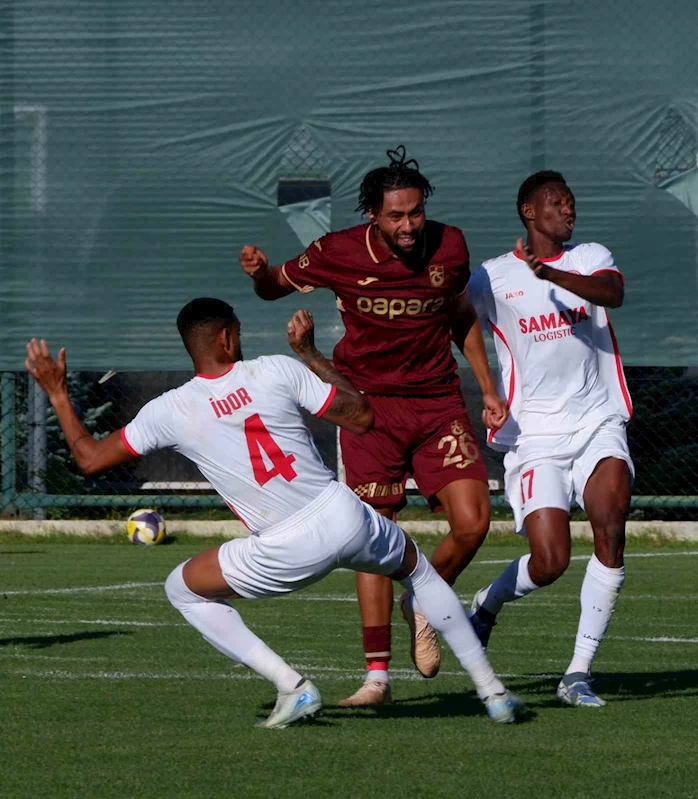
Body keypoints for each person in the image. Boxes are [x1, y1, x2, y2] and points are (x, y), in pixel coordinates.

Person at [25, 298, 522, 728]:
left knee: (181, 588)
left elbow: (89, 458)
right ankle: (493, 692)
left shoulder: (169, 410)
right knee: (419, 569)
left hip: (283, 547)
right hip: (343, 514)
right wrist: (311, 355)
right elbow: (361, 415)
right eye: (238, 331)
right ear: (226, 337)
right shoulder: (276, 369)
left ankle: (293, 685)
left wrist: (58, 393)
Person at [239, 146, 508, 707]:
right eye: (395, 216)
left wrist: (487, 387)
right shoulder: (336, 251)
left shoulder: (451, 245)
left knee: (473, 522)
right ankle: (377, 679)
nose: (408, 226)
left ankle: (423, 600)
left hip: (437, 404)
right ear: (371, 215)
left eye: (415, 213)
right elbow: (272, 287)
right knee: (373, 537)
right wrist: (261, 273)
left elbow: (461, 317)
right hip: (369, 411)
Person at [467, 170, 634, 707]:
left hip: (596, 421)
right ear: (529, 212)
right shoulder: (492, 276)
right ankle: (486, 605)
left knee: (611, 525)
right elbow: (457, 322)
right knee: (550, 562)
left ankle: (578, 672)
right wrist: (487, 388)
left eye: (571, 202)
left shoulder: (588, 258)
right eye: (557, 203)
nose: (569, 211)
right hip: (534, 436)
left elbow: (612, 292)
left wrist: (552, 274)